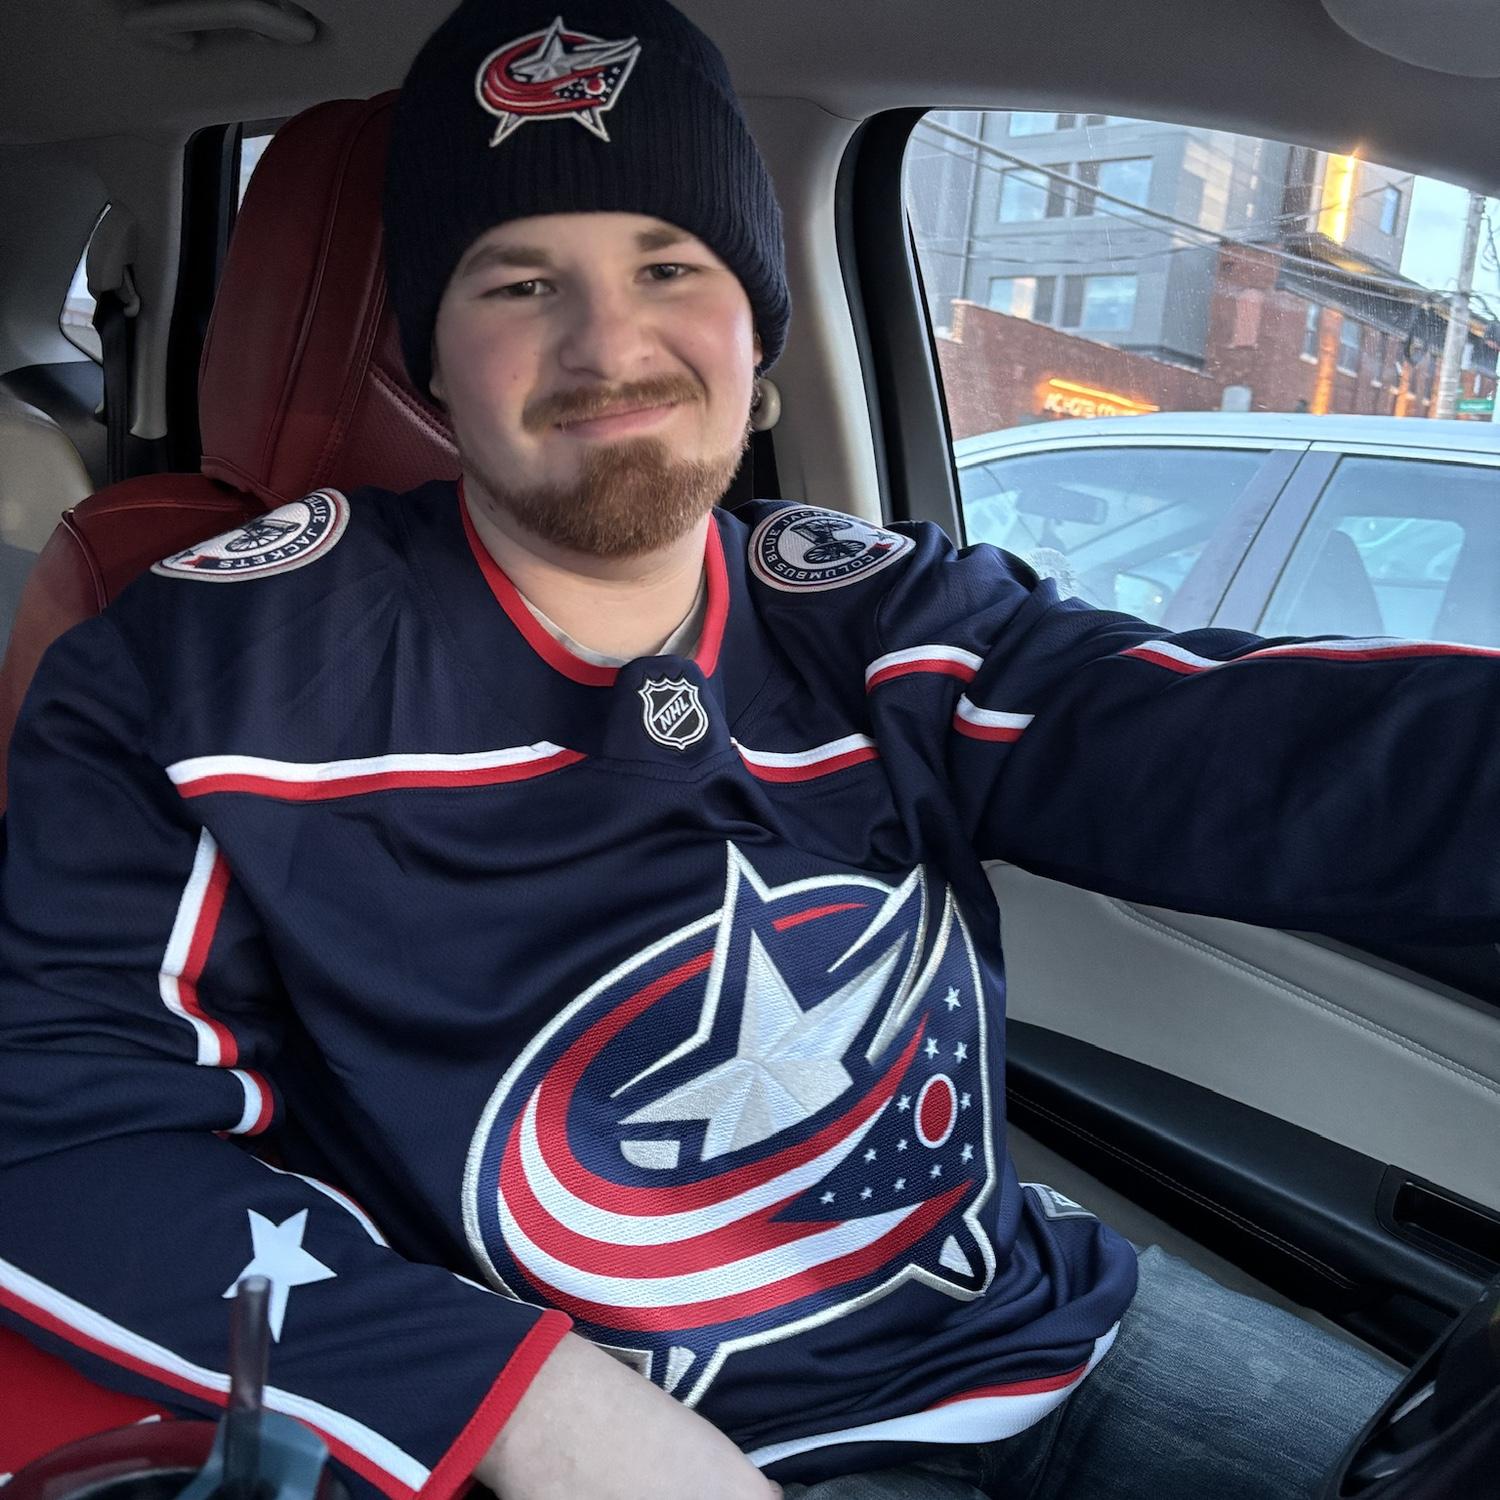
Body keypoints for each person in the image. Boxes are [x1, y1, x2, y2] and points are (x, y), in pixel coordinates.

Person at [13, 1, 1495, 1496]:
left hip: (1039, 1326)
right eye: (520, 281)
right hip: (672, 1443)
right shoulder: (202, 677)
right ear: (432, 359)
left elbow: (1258, 749)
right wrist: (530, 1407)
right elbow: (55, 1144)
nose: (609, 343)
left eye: (670, 267)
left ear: (757, 333)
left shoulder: (881, 614)